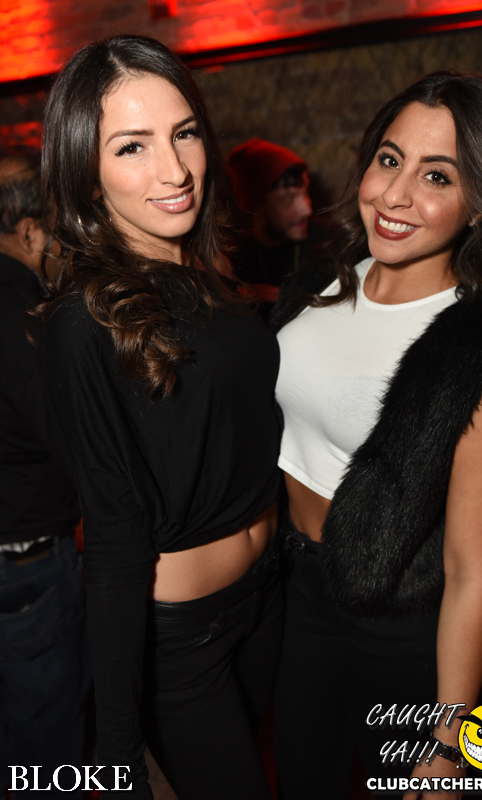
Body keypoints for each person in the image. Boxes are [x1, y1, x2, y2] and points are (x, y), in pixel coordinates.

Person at [271, 71, 482, 800]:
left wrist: (451, 745)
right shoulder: (316, 290)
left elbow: (472, 574)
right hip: (294, 592)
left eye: (437, 176)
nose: (394, 194)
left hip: (397, 623)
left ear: (480, 203)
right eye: (390, 159)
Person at [37, 35, 282, 800]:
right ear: (85, 171)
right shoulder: (85, 322)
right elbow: (112, 538)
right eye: (132, 147)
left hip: (269, 594)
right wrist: (117, 754)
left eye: (184, 133)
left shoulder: (210, 279)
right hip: (184, 637)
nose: (174, 171)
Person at [0, 147, 88, 796]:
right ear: (30, 233)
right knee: (45, 744)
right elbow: (72, 440)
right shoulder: (26, 315)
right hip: (24, 561)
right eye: (58, 233)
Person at [227, 138, 325, 304]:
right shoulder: (235, 260)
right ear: (256, 206)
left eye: (305, 193)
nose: (306, 210)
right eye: (288, 199)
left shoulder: (330, 243)